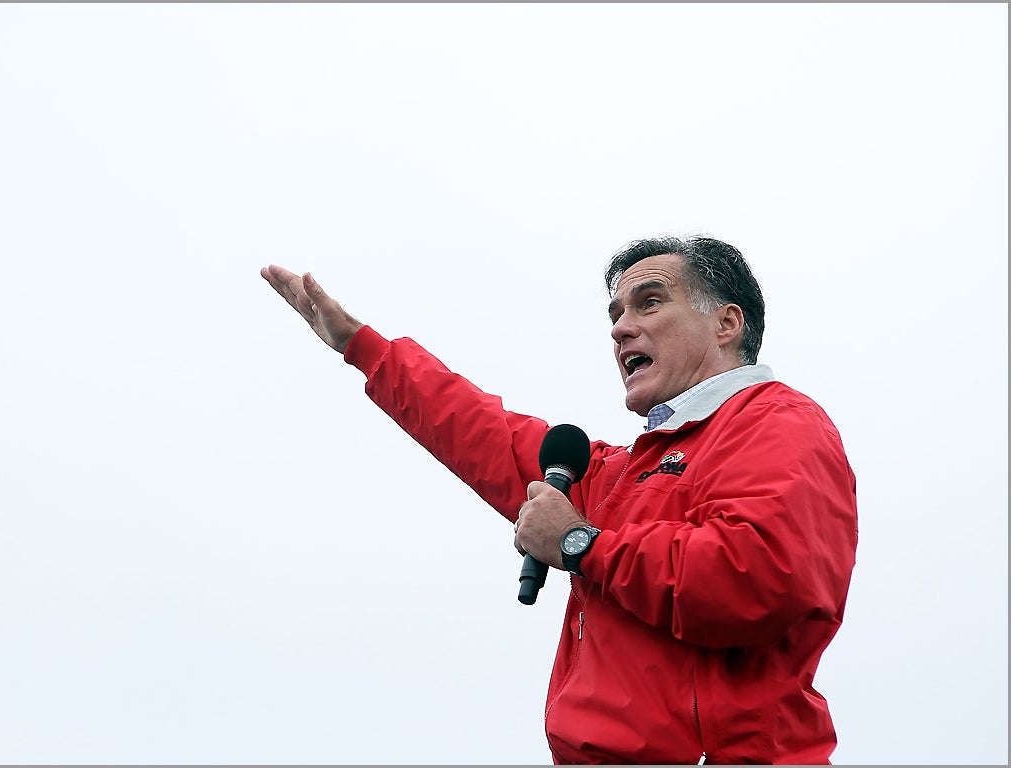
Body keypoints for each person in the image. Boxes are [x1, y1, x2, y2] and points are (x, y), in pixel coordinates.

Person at [259, 235, 858, 765]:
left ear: (727, 324)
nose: (621, 328)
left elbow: (756, 579)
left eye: (650, 303)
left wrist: (579, 543)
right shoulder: (617, 474)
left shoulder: (778, 422)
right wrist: (361, 346)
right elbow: (479, 430)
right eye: (616, 314)